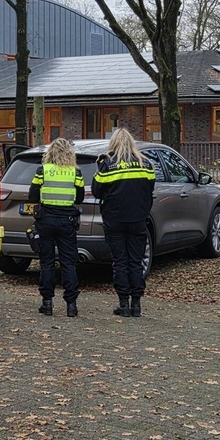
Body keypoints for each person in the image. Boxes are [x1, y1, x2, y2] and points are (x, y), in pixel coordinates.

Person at [92, 128, 155, 317]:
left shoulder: (107, 163)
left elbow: (96, 191)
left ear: (114, 143)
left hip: (114, 219)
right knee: (135, 262)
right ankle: (137, 304)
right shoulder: (146, 164)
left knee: (120, 262)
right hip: (138, 219)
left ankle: (123, 304)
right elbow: (149, 188)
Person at [29, 137, 84, 317]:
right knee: (68, 263)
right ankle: (71, 305)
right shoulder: (75, 172)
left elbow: (32, 195)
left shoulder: (43, 170)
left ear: (50, 152)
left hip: (45, 220)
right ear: (69, 153)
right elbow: (80, 198)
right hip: (67, 221)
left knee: (47, 263)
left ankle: (47, 303)